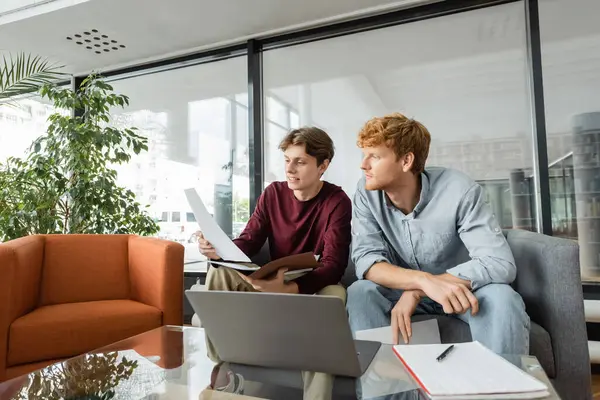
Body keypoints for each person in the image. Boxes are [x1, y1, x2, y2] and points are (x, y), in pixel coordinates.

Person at [346, 112, 530, 356]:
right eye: (364, 155)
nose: (363, 164)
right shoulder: (365, 192)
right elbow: (367, 261)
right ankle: (388, 395)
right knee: (360, 292)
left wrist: (419, 290)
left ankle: (503, 389)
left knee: (502, 299)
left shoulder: (459, 190)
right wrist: (422, 281)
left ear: (406, 161)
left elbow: (499, 263)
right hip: (398, 293)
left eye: (375, 156)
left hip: (461, 290)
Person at [197, 126, 352, 400]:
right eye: (287, 160)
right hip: (272, 279)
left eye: (300, 162)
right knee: (219, 274)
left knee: (334, 298)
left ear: (323, 165)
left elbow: (333, 265)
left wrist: (290, 289)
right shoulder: (273, 194)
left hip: (313, 284)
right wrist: (219, 250)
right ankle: (222, 360)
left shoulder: (337, 201)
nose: (290, 169)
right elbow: (249, 240)